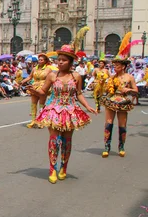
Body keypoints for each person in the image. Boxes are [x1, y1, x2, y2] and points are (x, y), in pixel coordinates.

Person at [30, 45, 97, 184]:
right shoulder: (52, 75)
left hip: (71, 110)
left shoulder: (76, 76)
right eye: (59, 60)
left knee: (67, 141)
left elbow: (78, 94)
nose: (60, 62)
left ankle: (63, 168)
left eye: (64, 60)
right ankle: (52, 169)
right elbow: (43, 91)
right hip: (54, 109)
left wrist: (88, 106)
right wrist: (33, 91)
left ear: (71, 62)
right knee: (54, 140)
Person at [100, 57, 138, 158]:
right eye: (114, 66)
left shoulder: (129, 77)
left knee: (122, 125)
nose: (115, 67)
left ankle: (121, 147)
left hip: (123, 101)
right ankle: (106, 147)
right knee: (108, 123)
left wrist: (128, 89)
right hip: (111, 100)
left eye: (117, 66)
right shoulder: (112, 77)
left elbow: (136, 90)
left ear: (123, 67)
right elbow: (107, 90)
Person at [21, 54, 52, 129]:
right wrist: (23, 81)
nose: (40, 61)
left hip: (43, 87)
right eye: (39, 59)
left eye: (42, 60)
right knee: (33, 104)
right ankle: (33, 121)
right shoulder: (34, 68)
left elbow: (51, 78)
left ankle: (41, 121)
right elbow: (30, 77)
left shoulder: (48, 69)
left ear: (45, 61)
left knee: (41, 105)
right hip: (34, 87)